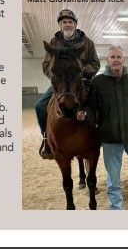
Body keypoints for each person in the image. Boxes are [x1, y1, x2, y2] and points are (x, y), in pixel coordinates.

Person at [81, 45, 128, 210]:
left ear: (123, 59)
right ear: (107, 60)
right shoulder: (98, 82)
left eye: (118, 57)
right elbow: (91, 108)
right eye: (112, 57)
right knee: (113, 180)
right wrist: (84, 114)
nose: (115, 60)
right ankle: (116, 209)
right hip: (110, 139)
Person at [36, 9, 99, 159]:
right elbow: (46, 64)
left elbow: (95, 63)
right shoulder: (53, 42)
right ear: (60, 25)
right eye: (64, 22)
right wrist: (53, 76)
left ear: (75, 24)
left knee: (100, 101)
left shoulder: (87, 42)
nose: (67, 24)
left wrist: (82, 72)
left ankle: (100, 132)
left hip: (82, 81)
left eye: (70, 22)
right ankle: (46, 137)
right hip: (61, 85)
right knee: (39, 106)